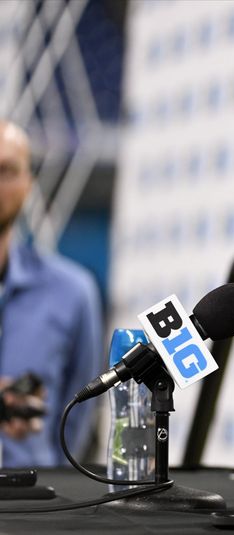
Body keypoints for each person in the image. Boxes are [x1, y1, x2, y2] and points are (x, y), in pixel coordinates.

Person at [0, 120, 103, 467]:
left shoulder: (72, 291)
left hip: (35, 505)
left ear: (29, 183)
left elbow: (79, 415)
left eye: (7, 170)